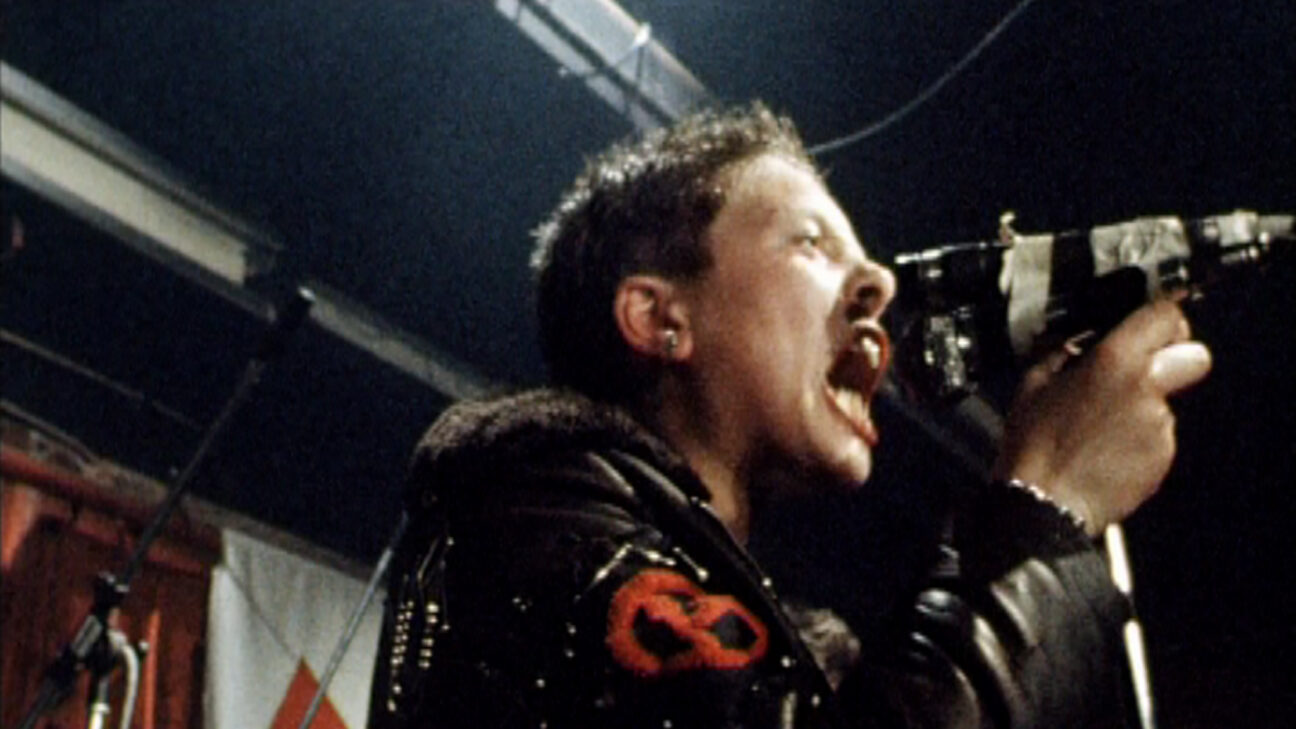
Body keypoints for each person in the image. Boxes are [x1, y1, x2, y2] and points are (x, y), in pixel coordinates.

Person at [366, 103, 1211, 728]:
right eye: (810, 242)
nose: (879, 283)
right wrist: (1041, 505)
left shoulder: (794, 665)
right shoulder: (523, 524)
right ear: (660, 318)